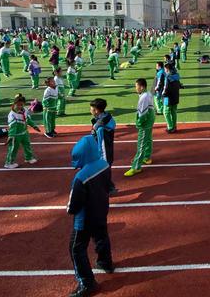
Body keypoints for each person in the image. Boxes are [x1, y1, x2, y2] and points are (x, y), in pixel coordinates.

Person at [67, 135, 114, 297]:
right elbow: (108, 186)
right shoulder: (104, 164)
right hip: (101, 209)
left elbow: (74, 205)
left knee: (76, 248)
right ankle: (106, 262)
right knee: (101, 236)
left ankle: (87, 282)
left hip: (84, 219)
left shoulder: (80, 177)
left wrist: (70, 211)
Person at [124, 78, 155, 177]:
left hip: (146, 122)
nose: (135, 88)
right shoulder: (147, 94)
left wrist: (139, 123)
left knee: (141, 143)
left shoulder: (144, 97)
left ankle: (136, 167)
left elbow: (142, 114)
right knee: (148, 139)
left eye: (136, 86)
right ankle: (147, 157)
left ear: (141, 87)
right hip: (150, 119)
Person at [4, 94, 40, 169]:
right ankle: (9, 163)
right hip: (15, 135)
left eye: (22, 105)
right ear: (14, 104)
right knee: (13, 149)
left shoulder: (25, 110)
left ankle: (29, 158)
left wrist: (34, 126)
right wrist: (11, 136)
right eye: (18, 105)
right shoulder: (12, 115)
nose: (20, 107)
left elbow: (28, 119)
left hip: (24, 132)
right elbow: (12, 127)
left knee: (27, 145)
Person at [90, 98, 117, 193]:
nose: (90, 110)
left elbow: (102, 144)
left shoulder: (100, 128)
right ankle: (109, 187)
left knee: (103, 171)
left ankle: (108, 188)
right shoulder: (107, 117)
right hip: (107, 151)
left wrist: (103, 160)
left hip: (104, 153)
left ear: (96, 110)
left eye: (91, 108)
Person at [162, 63, 180, 133]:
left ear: (167, 69)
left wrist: (163, 94)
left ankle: (170, 127)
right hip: (175, 96)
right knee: (173, 111)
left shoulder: (168, 77)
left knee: (166, 112)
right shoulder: (177, 75)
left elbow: (166, 88)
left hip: (168, 97)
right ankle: (174, 126)